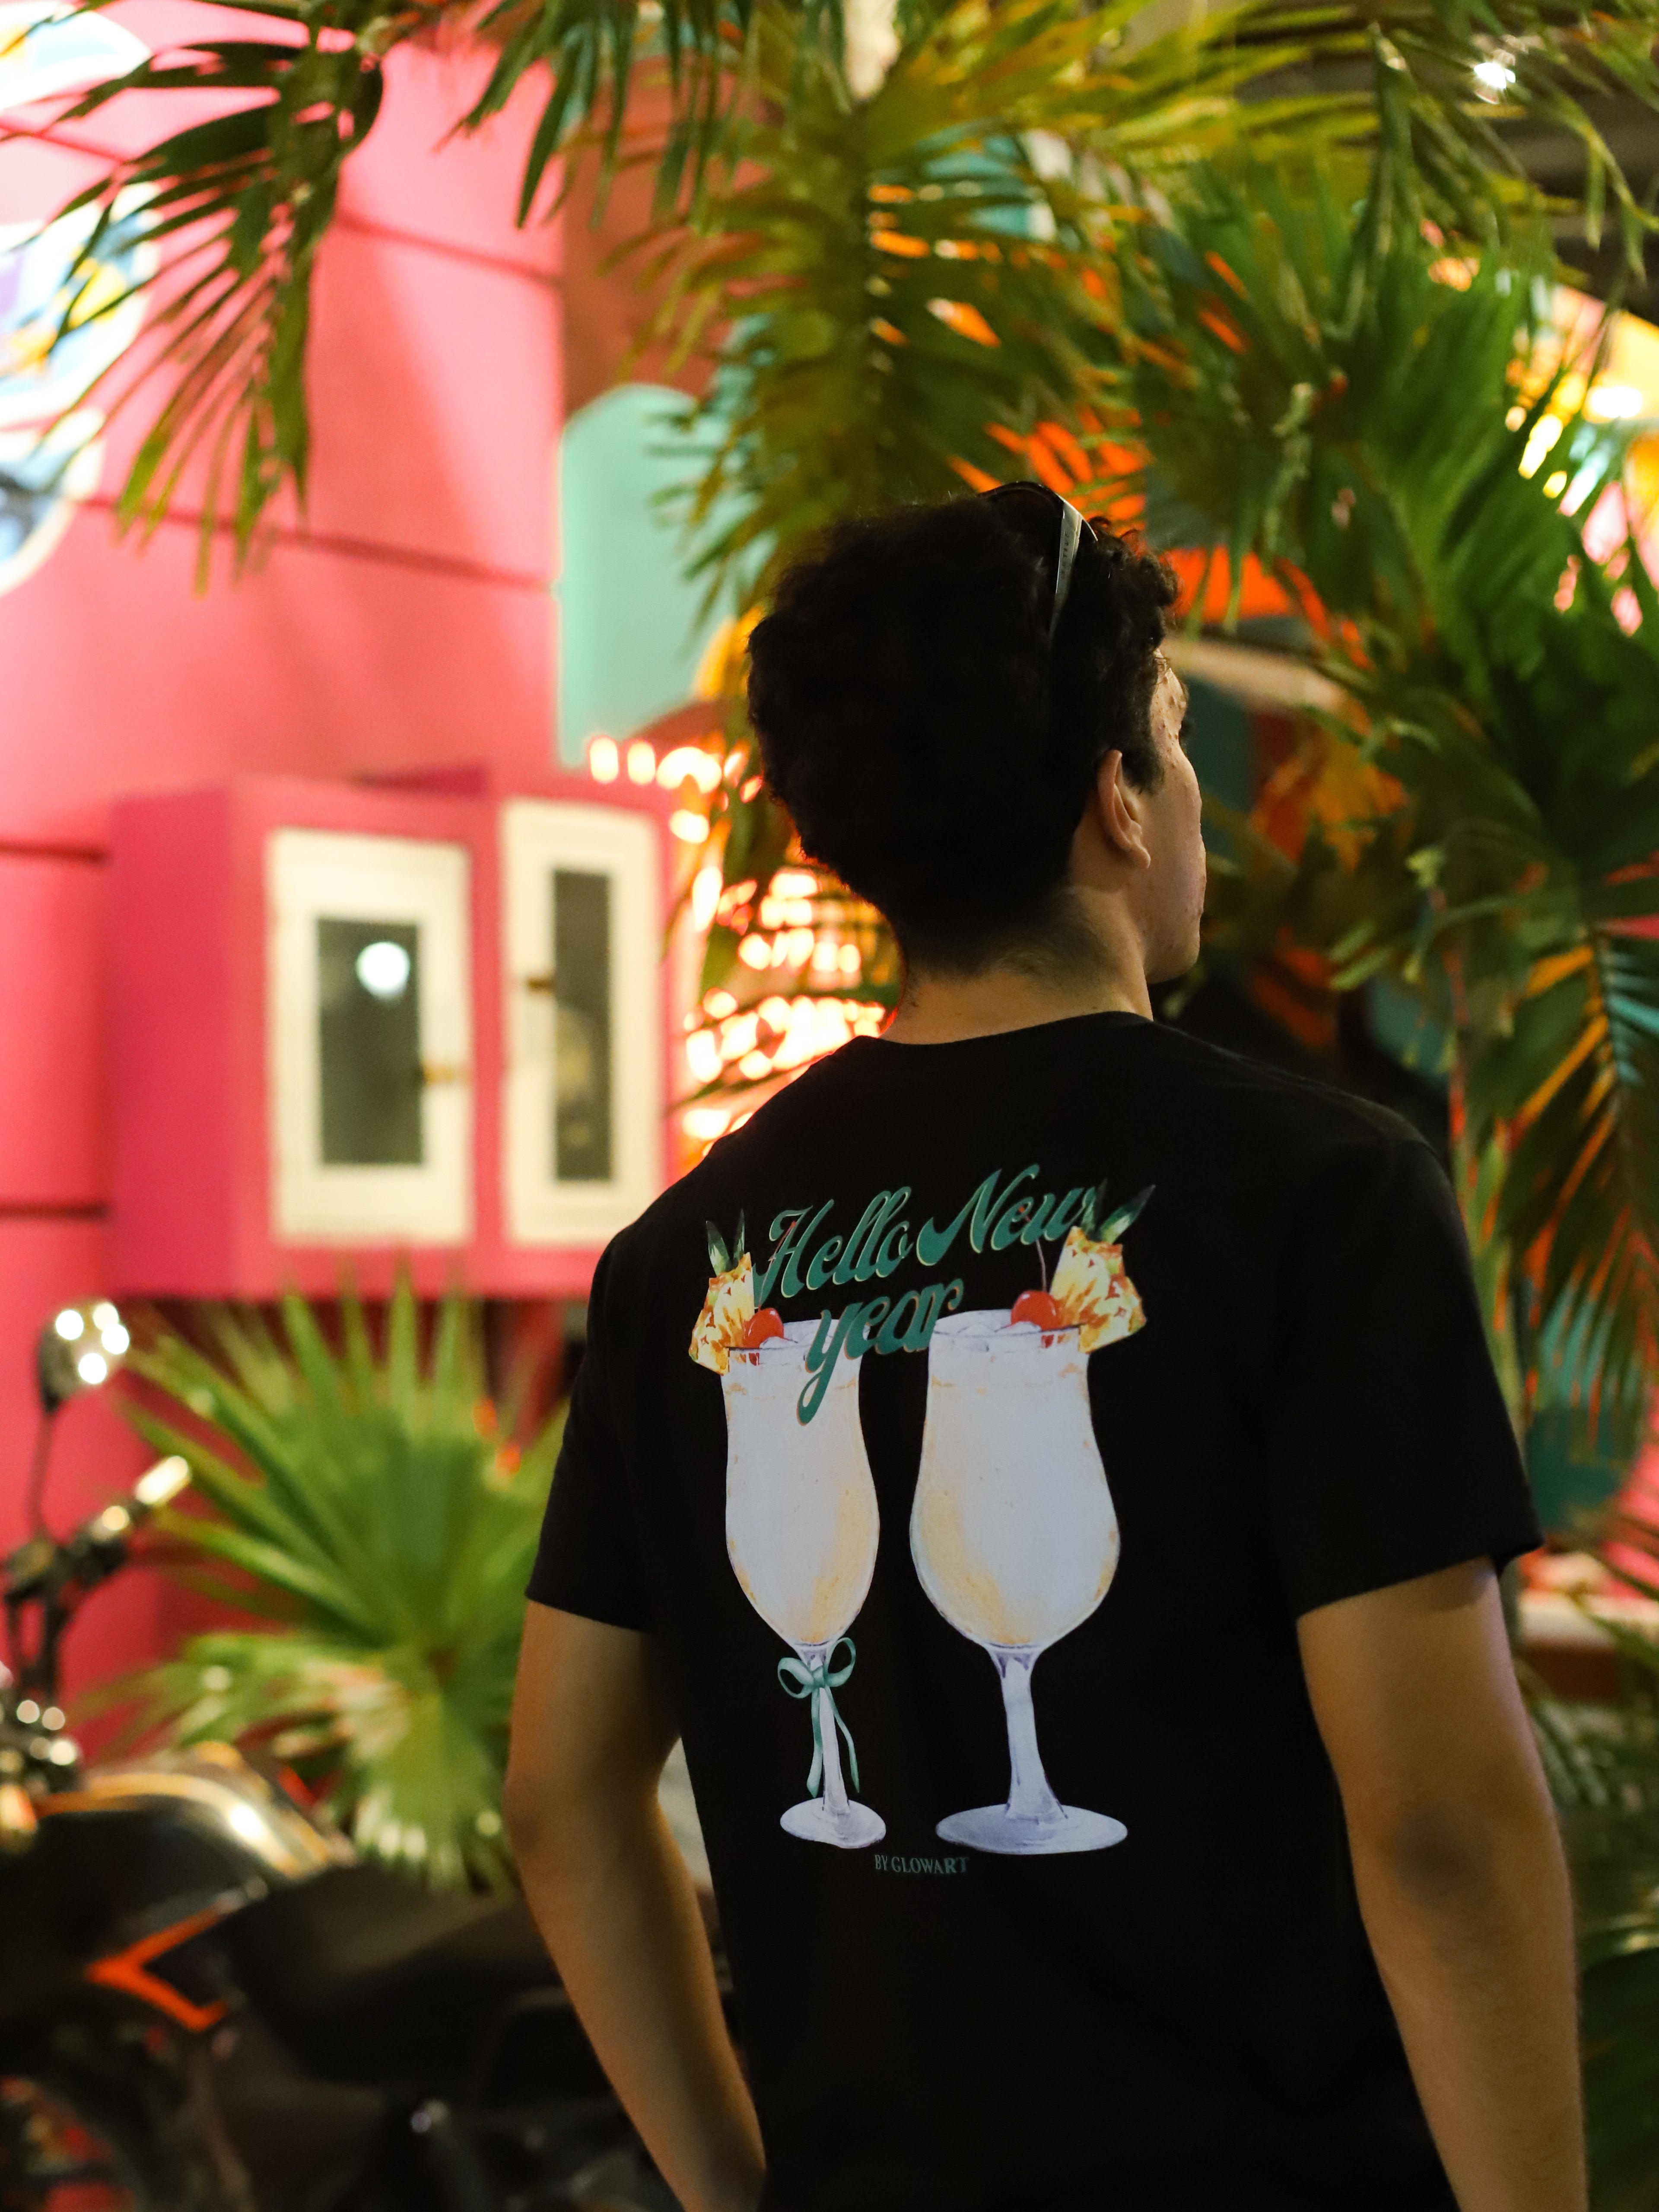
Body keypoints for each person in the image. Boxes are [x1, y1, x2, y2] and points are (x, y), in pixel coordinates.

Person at [505, 487, 1583, 2212]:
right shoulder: (1321, 1196)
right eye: (1177, 735)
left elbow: (562, 1798)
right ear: (1116, 799)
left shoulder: (675, 1261)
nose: (1194, 791)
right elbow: (1439, 1822)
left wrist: (732, 2185)